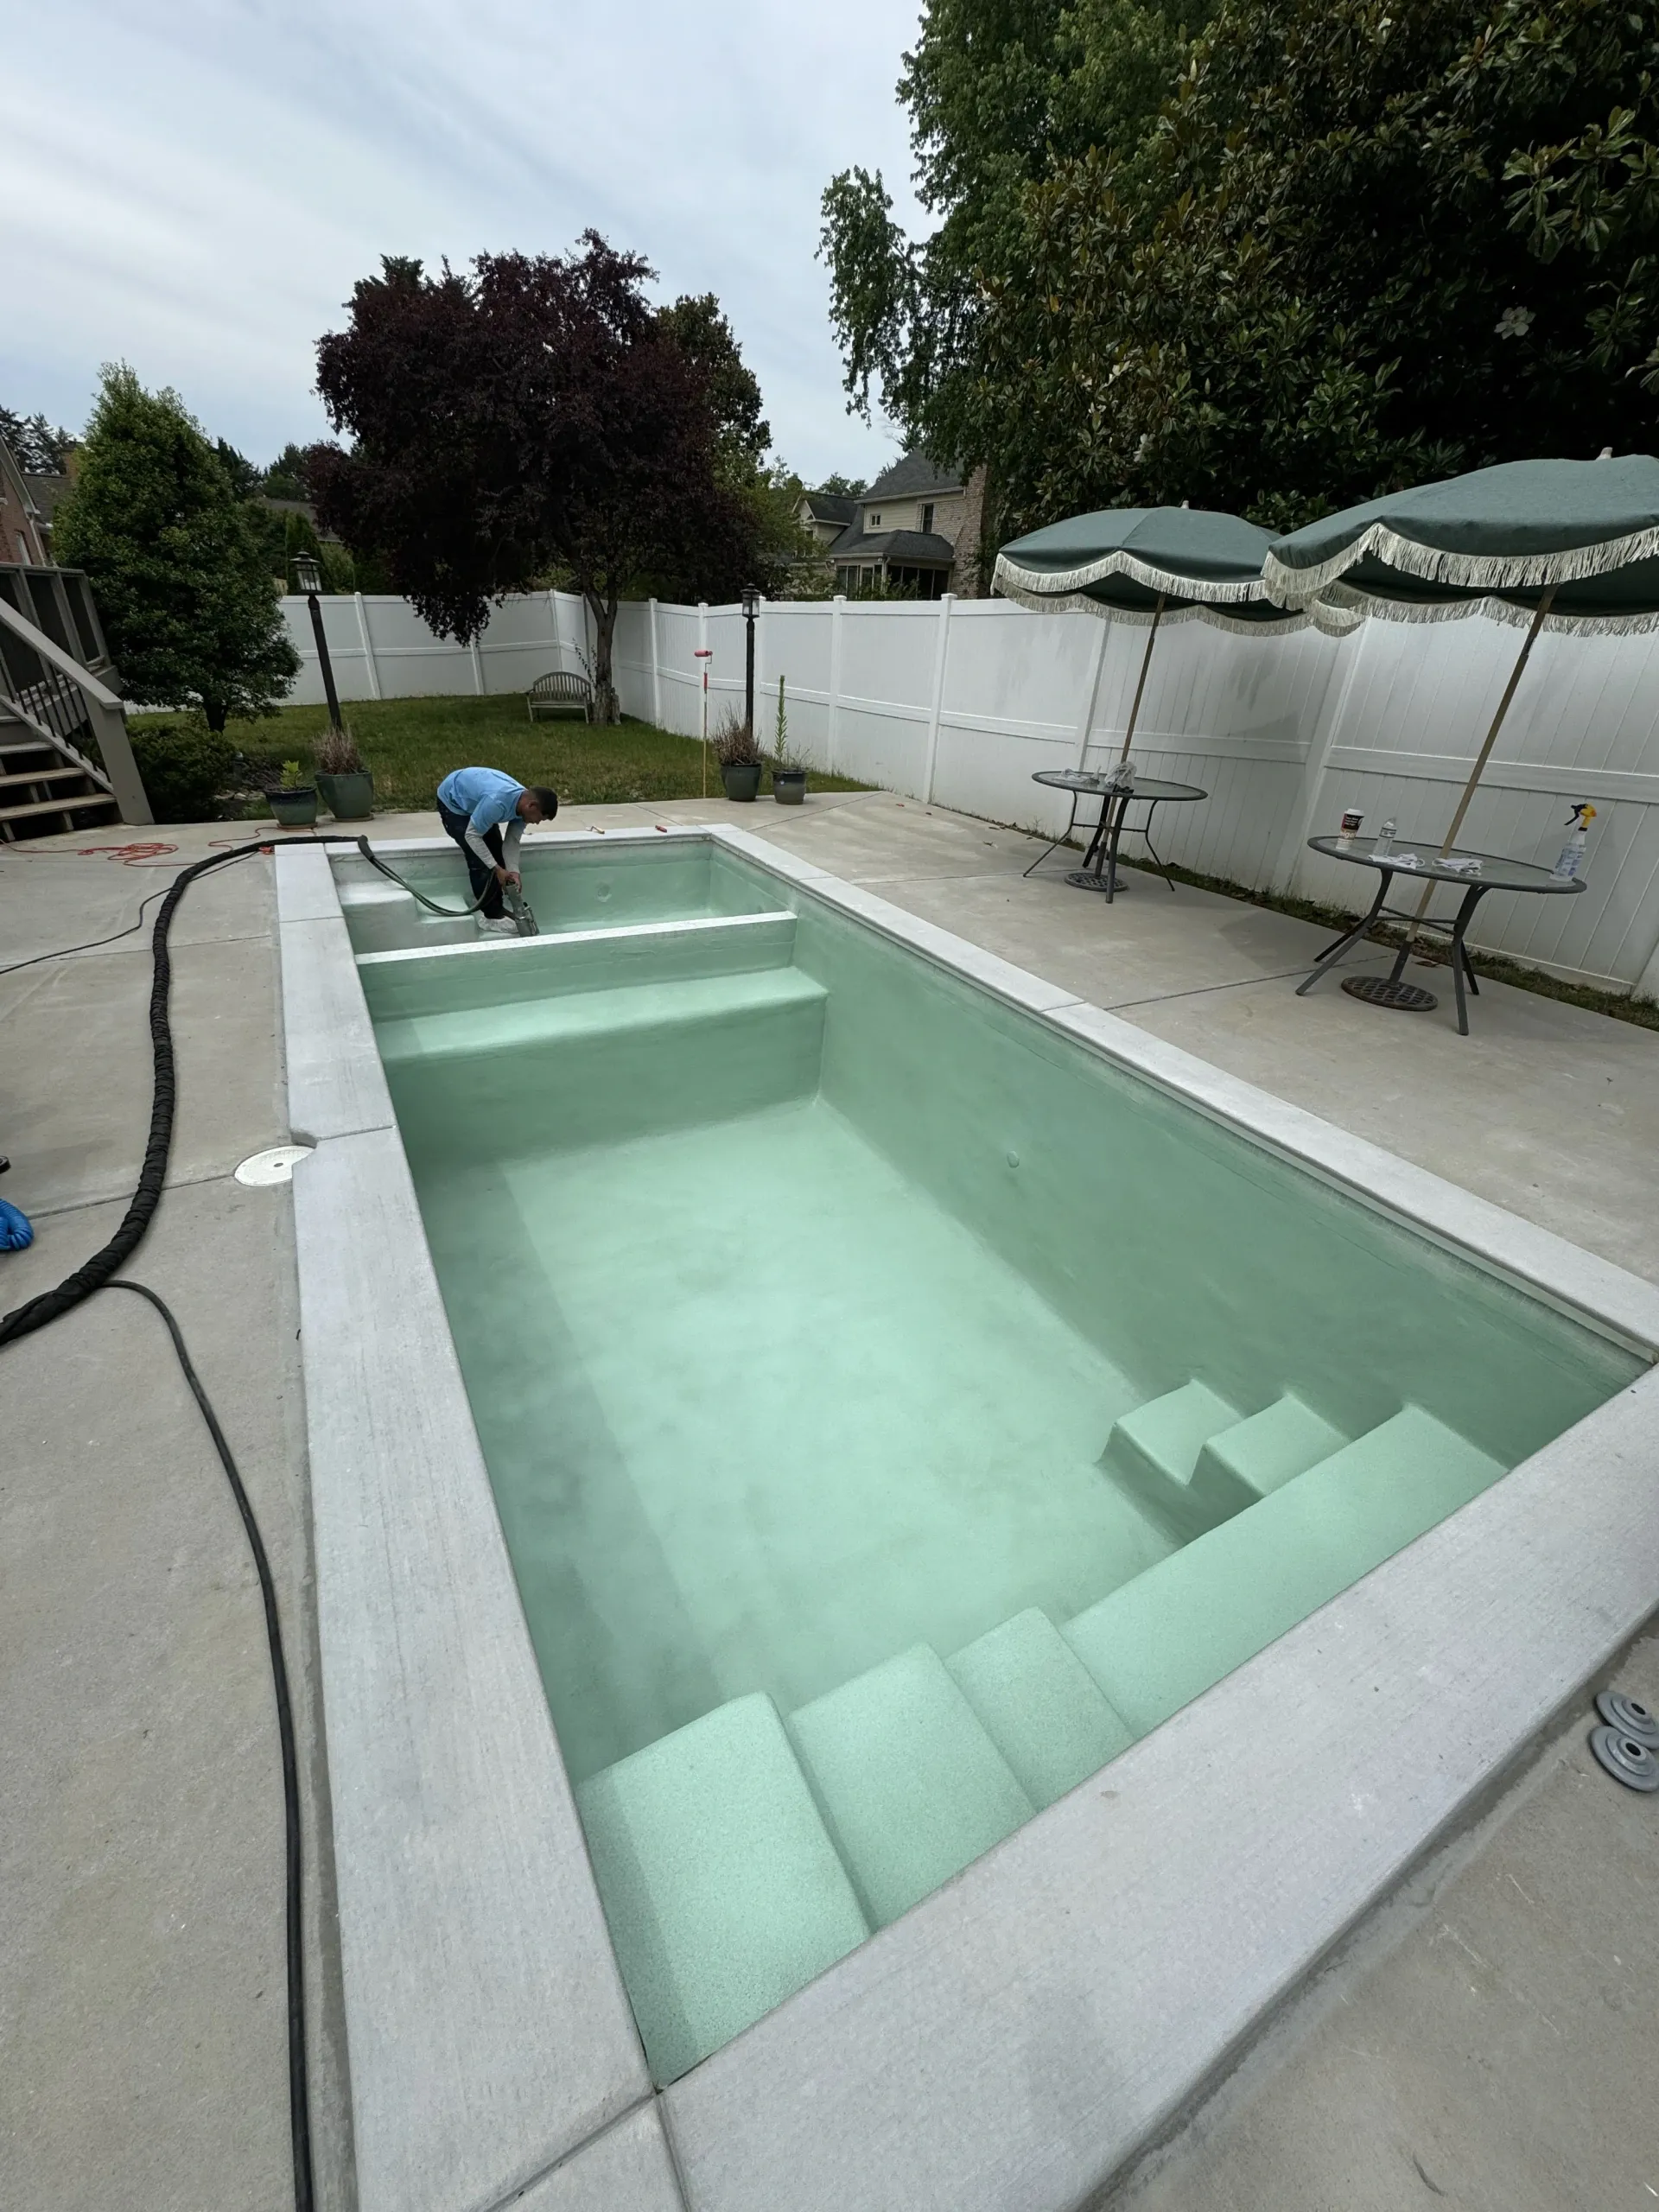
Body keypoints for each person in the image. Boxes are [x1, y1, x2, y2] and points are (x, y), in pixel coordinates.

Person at [435, 767, 559, 933]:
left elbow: (512, 841)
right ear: (532, 806)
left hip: (478, 800)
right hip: (453, 802)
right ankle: (490, 917)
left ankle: (490, 903)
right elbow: (472, 836)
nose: (537, 823)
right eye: (539, 818)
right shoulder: (498, 802)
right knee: (480, 861)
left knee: (496, 853)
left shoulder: (522, 807)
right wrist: (496, 869)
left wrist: (513, 871)